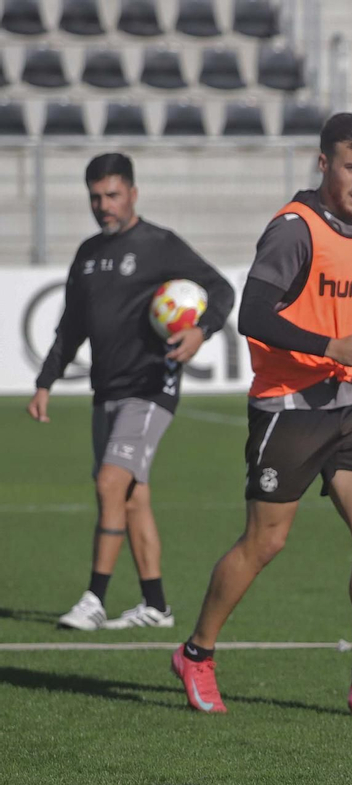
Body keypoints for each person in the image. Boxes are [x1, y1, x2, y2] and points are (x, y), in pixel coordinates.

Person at [171, 113, 352, 716]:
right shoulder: (293, 229)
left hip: (349, 409)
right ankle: (196, 653)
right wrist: (329, 348)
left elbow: (341, 315)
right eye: (351, 167)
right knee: (266, 542)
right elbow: (253, 316)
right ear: (323, 164)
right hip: (289, 411)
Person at [28, 153, 235, 631]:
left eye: (113, 195)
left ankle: (94, 598)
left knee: (109, 483)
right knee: (132, 495)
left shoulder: (159, 245)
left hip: (150, 386)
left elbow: (221, 289)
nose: (104, 205)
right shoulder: (86, 254)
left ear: (133, 194)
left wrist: (201, 330)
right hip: (107, 389)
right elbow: (71, 327)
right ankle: (156, 606)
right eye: (96, 197)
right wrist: (45, 382)